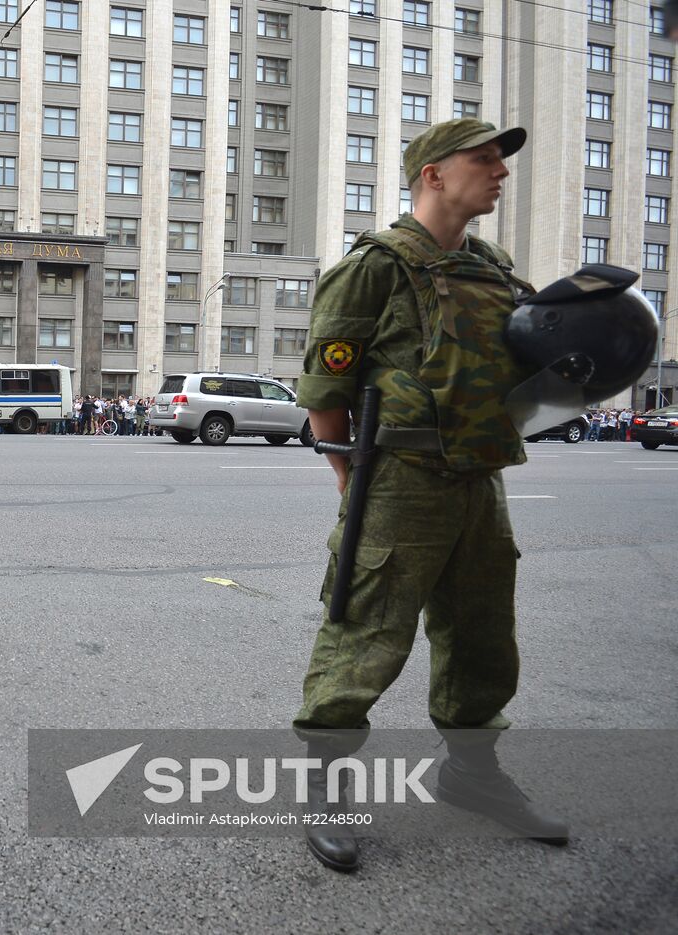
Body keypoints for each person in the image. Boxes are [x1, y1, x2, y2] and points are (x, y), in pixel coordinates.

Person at [293, 119, 568, 872]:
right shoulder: (375, 266)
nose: (499, 173)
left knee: (482, 637)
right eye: (483, 161)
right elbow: (326, 385)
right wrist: (353, 478)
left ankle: (473, 774)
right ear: (434, 175)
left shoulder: (495, 266)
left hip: (481, 479)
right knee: (365, 634)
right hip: (402, 478)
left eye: (499, 163)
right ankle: (326, 785)